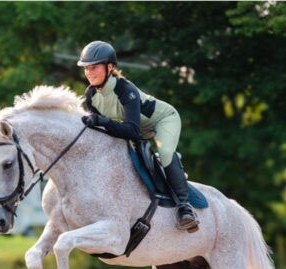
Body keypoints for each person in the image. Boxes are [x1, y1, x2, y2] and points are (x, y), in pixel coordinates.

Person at [77, 40, 200, 231]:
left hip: (162, 120)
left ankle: (185, 207)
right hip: (135, 128)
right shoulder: (91, 95)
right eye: (86, 68)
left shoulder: (125, 89)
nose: (89, 73)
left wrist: (104, 122)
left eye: (94, 67)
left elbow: (132, 130)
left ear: (109, 67)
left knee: (165, 153)